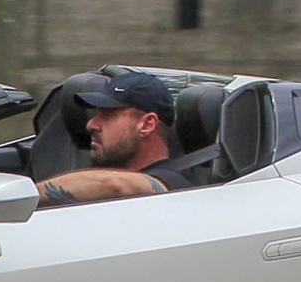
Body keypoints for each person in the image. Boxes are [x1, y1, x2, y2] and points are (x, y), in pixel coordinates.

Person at [35, 70, 194, 205]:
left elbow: (115, 184)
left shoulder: (174, 183)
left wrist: (27, 195)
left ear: (147, 125)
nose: (91, 124)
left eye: (108, 115)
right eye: (97, 114)